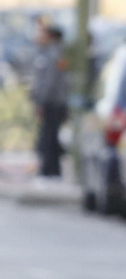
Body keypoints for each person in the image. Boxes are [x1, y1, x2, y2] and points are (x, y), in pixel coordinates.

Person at [29, 21, 68, 179]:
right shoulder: (48, 53)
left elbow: (49, 82)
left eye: (42, 34)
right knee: (49, 136)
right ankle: (51, 169)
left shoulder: (53, 54)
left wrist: (41, 102)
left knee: (49, 137)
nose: (38, 37)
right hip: (52, 102)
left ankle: (49, 170)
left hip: (52, 102)